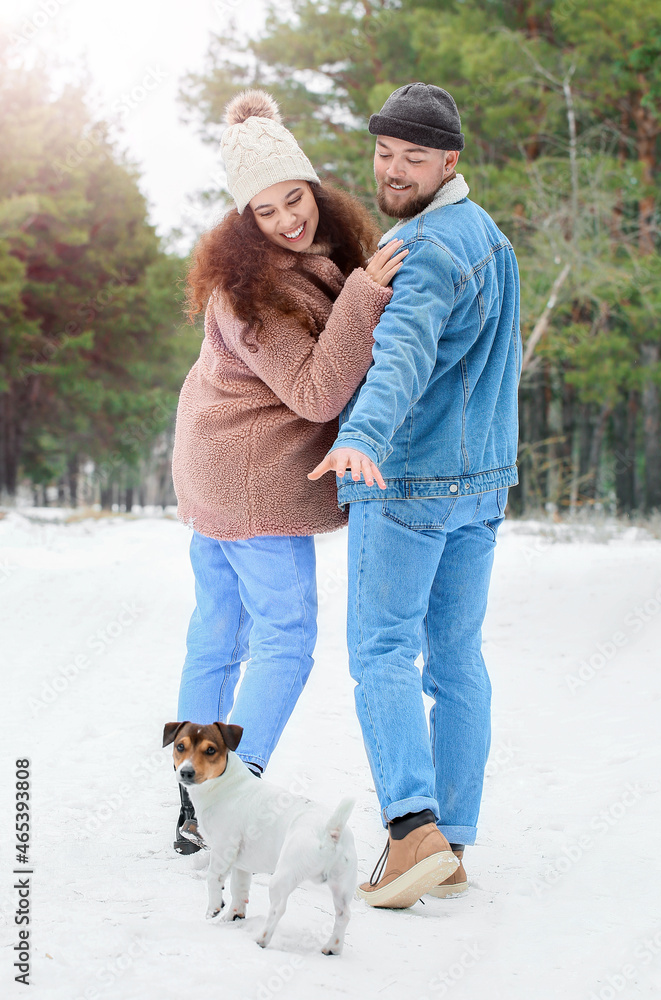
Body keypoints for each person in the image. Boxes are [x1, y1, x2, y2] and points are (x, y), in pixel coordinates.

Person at [170, 89, 405, 854]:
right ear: (244, 222)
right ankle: (226, 794)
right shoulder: (250, 294)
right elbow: (314, 390)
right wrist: (368, 291)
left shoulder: (305, 258)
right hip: (247, 480)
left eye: (293, 199)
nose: (286, 220)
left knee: (217, 634)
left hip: (215, 465)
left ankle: (190, 799)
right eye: (264, 212)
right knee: (284, 638)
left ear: (313, 188)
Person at [310, 82, 521, 907]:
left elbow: (400, 352)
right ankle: (452, 843)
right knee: (457, 659)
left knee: (382, 653)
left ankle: (409, 833)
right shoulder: (489, 239)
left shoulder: (427, 246)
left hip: (409, 480)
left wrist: (361, 435)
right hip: (479, 484)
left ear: (449, 161)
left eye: (412, 158)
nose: (393, 171)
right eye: (384, 154)